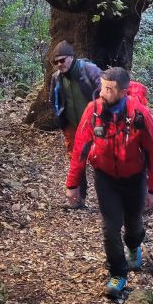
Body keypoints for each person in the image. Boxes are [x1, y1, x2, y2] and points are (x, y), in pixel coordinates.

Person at [66, 67, 153, 298]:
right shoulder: (93, 111)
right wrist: (73, 184)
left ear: (122, 92)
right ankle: (118, 273)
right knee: (110, 228)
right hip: (105, 177)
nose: (102, 92)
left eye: (108, 89)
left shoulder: (140, 115)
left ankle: (133, 244)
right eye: (101, 86)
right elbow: (80, 148)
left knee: (133, 224)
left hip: (134, 178)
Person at [49, 40, 102, 208]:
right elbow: (53, 100)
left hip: (95, 125)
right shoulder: (56, 77)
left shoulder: (90, 70)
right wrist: (60, 120)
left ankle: (107, 199)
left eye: (62, 60)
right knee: (75, 161)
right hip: (72, 125)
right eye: (56, 62)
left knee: (100, 160)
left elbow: (106, 94)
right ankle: (78, 199)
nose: (59, 64)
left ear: (72, 57)